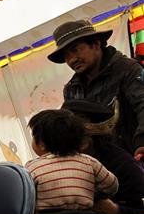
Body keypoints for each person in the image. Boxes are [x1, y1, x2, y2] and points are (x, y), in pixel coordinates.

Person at [47, 19, 144, 161]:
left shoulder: (127, 69)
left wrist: (142, 142)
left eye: (75, 50)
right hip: (99, 166)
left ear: (96, 44)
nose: (72, 60)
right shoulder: (71, 90)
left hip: (136, 158)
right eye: (66, 55)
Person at [25, 109, 118, 214]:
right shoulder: (89, 161)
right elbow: (112, 185)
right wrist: (93, 194)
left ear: (42, 144)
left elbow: (25, 196)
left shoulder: (33, 166)